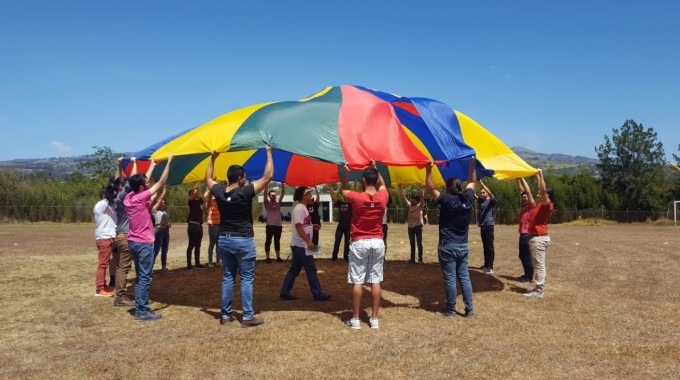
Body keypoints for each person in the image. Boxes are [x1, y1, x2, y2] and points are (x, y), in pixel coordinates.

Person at [205, 147, 273, 327]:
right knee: (246, 278)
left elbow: (208, 179)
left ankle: (226, 315)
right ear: (239, 178)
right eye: (244, 177)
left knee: (228, 277)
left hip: (224, 239)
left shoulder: (220, 192)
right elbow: (267, 176)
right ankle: (248, 316)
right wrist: (268, 153)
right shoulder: (244, 192)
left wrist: (212, 158)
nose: (245, 179)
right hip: (243, 239)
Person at [124, 154, 173, 321]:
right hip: (143, 243)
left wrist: (151, 164)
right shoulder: (139, 197)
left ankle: (140, 306)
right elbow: (159, 182)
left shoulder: (129, 198)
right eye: (146, 183)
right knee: (145, 277)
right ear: (140, 188)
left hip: (133, 242)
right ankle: (142, 310)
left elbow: (135, 180)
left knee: (140, 276)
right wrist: (169, 163)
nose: (148, 183)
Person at [425, 158, 476, 318]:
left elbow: (430, 189)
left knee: (450, 278)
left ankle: (451, 309)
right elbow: (472, 180)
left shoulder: (447, 200)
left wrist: (428, 170)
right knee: (464, 277)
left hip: (447, 246)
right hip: (462, 246)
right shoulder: (467, 199)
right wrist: (472, 162)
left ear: (448, 189)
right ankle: (469, 310)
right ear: (460, 187)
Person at [341, 161, 389, 330]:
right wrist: (376, 169)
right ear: (376, 180)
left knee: (357, 281)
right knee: (375, 280)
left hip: (359, 241)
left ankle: (355, 319)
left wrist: (346, 174)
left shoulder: (356, 197)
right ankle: (374, 319)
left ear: (363, 181)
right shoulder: (383, 196)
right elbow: (382, 184)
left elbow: (343, 190)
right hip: (377, 241)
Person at [279, 186, 332, 301]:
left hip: (300, 245)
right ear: (304, 196)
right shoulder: (300, 209)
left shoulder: (303, 208)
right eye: (309, 194)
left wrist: (312, 226)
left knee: (294, 270)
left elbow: (302, 224)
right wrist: (308, 241)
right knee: (311, 269)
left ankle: (285, 291)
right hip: (302, 245)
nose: (311, 196)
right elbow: (298, 226)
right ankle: (317, 294)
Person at [524, 169, 554, 298]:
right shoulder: (539, 205)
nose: (539, 194)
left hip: (539, 239)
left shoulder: (548, 205)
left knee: (539, 265)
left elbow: (542, 190)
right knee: (538, 264)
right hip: (537, 238)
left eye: (542, 194)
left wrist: (541, 175)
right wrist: (537, 178)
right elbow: (534, 191)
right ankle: (538, 288)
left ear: (547, 196)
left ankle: (539, 290)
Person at [93, 183, 117, 297]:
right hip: (104, 238)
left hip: (109, 237)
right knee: (103, 264)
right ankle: (99, 289)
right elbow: (111, 194)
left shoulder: (109, 207)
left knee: (105, 263)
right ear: (104, 196)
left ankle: (104, 285)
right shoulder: (101, 205)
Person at [399, 185, 425, 263]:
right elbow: (403, 197)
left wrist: (422, 190)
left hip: (418, 227)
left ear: (417, 201)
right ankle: (412, 259)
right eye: (412, 199)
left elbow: (422, 198)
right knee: (412, 243)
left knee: (419, 242)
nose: (412, 201)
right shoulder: (409, 205)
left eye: (414, 200)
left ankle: (420, 259)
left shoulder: (419, 207)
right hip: (410, 227)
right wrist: (400, 188)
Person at [517, 177, 535, 283]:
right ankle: (526, 275)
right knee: (522, 256)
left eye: (526, 197)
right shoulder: (524, 207)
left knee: (527, 256)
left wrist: (522, 177)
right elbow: (522, 191)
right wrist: (517, 179)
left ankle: (529, 277)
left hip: (527, 235)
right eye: (523, 197)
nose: (524, 198)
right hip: (522, 235)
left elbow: (527, 191)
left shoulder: (532, 206)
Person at [328, 182, 351, 262]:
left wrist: (354, 185)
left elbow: (356, 194)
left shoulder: (351, 204)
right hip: (340, 226)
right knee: (337, 240)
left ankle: (346, 257)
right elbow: (334, 198)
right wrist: (330, 187)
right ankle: (334, 257)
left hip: (348, 226)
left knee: (347, 242)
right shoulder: (340, 203)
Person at [477, 179, 497, 274]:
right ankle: (486, 264)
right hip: (483, 226)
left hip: (489, 226)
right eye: (481, 192)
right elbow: (473, 196)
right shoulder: (481, 201)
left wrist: (481, 183)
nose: (482, 193)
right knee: (485, 246)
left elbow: (491, 193)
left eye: (483, 192)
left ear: (487, 193)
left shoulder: (491, 202)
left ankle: (490, 266)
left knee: (489, 247)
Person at [186, 184, 206, 270]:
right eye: (196, 192)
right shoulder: (191, 201)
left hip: (199, 226)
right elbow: (193, 192)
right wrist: (198, 182)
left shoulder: (200, 201)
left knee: (198, 245)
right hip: (192, 226)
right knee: (191, 245)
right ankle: (189, 264)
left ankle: (197, 263)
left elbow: (206, 196)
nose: (198, 192)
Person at [264, 183, 285, 263]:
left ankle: (278, 257)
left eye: (275, 195)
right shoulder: (267, 203)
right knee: (268, 241)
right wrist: (266, 185)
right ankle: (267, 258)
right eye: (272, 195)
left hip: (278, 226)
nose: (274, 196)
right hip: (270, 226)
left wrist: (282, 183)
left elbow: (282, 193)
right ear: (269, 196)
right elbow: (265, 193)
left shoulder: (278, 203)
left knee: (277, 241)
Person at [152, 185, 171, 272]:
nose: (163, 202)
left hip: (165, 231)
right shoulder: (154, 210)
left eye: (163, 201)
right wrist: (164, 190)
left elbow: (168, 223)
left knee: (165, 249)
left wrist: (168, 224)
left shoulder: (164, 212)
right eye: (161, 201)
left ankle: (163, 267)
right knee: (156, 250)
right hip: (159, 230)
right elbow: (159, 199)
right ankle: (149, 269)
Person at [204, 186, 221, 267]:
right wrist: (211, 188)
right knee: (212, 243)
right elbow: (209, 196)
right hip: (213, 225)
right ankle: (210, 262)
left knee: (219, 244)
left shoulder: (219, 202)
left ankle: (218, 261)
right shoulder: (210, 202)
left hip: (219, 225)